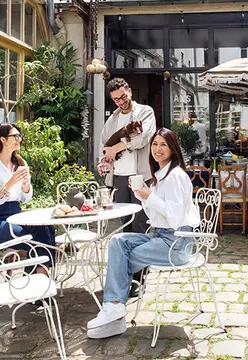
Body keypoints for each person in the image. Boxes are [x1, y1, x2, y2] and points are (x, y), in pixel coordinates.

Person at [87, 128, 200, 339]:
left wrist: (149, 196)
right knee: (118, 242)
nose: (157, 149)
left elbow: (174, 219)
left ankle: (114, 307)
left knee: (122, 258)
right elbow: (154, 216)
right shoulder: (160, 176)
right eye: (155, 144)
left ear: (173, 149)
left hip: (176, 244)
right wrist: (142, 196)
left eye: (163, 145)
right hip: (161, 236)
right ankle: (115, 308)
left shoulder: (174, 176)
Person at [98, 77, 156, 297]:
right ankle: (128, 274)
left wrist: (116, 148)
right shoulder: (112, 120)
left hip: (140, 175)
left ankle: (140, 277)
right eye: (115, 99)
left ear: (130, 91)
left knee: (141, 225)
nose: (120, 102)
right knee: (125, 226)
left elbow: (142, 139)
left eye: (123, 96)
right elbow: (104, 145)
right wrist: (104, 160)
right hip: (120, 178)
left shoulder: (145, 112)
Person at [0, 123, 55, 271]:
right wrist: (10, 183)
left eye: (20, 136)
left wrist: (25, 186)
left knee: (46, 227)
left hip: (15, 217)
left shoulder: (19, 163)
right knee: (31, 237)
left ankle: (38, 278)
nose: (19, 139)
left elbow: (26, 198)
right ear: (3, 140)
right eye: (15, 136)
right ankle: (39, 279)